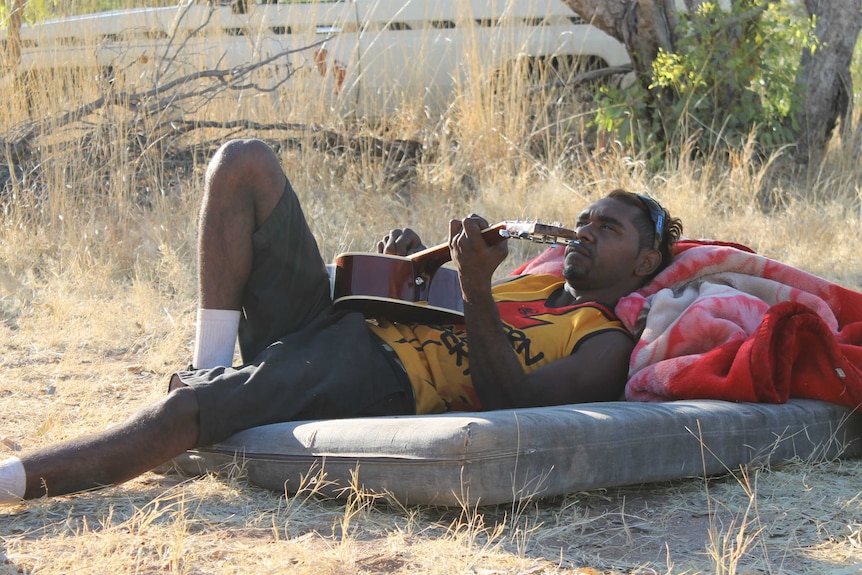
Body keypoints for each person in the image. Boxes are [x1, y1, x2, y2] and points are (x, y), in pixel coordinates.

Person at [0, 139, 682, 503]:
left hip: (375, 370)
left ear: (646, 258)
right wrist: (414, 270)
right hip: (349, 320)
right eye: (584, 220)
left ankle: (15, 480)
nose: (586, 231)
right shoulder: (530, 282)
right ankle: (210, 360)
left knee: (185, 414)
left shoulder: (603, 338)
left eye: (610, 228)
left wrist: (475, 288)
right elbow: (447, 315)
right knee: (244, 163)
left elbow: (513, 405)